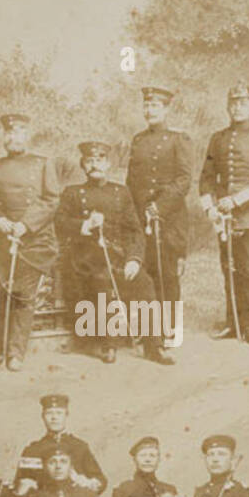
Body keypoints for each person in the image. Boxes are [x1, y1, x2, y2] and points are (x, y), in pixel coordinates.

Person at [55, 140, 172, 364]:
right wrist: (85, 224)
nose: (94, 165)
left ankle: (154, 346)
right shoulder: (72, 193)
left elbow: (135, 232)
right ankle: (109, 345)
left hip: (119, 258)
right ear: (83, 165)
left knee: (145, 282)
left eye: (99, 160)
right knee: (101, 280)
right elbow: (59, 222)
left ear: (108, 164)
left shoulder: (121, 192)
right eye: (89, 161)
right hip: (86, 260)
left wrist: (134, 260)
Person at [0, 113, 61, 370]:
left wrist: (25, 225)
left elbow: (51, 200)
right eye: (9, 132)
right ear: (4, 136)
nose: (14, 137)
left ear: (28, 135)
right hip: (0, 241)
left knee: (24, 295)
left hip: (34, 242)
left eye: (19, 132)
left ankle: (15, 353)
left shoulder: (43, 164)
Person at [199, 81, 249, 346]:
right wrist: (211, 208)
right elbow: (206, 178)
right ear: (227, 107)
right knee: (229, 269)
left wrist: (236, 200)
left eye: (243, 102)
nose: (238, 107)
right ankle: (232, 324)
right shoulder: (217, 138)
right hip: (224, 216)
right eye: (234, 102)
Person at [126, 87, 192, 309]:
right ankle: (150, 330)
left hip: (168, 218)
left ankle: (170, 327)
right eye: (146, 105)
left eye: (155, 106)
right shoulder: (138, 140)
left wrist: (159, 207)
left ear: (166, 109)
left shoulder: (178, 138)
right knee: (145, 271)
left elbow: (184, 180)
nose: (149, 110)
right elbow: (131, 179)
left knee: (167, 273)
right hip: (141, 216)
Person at [15, 393, 107, 496]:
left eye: (59, 413)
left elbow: (101, 481)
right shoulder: (32, 450)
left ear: (66, 415)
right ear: (43, 417)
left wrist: (88, 483)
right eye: (49, 413)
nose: (54, 418)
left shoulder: (80, 447)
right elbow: (19, 485)